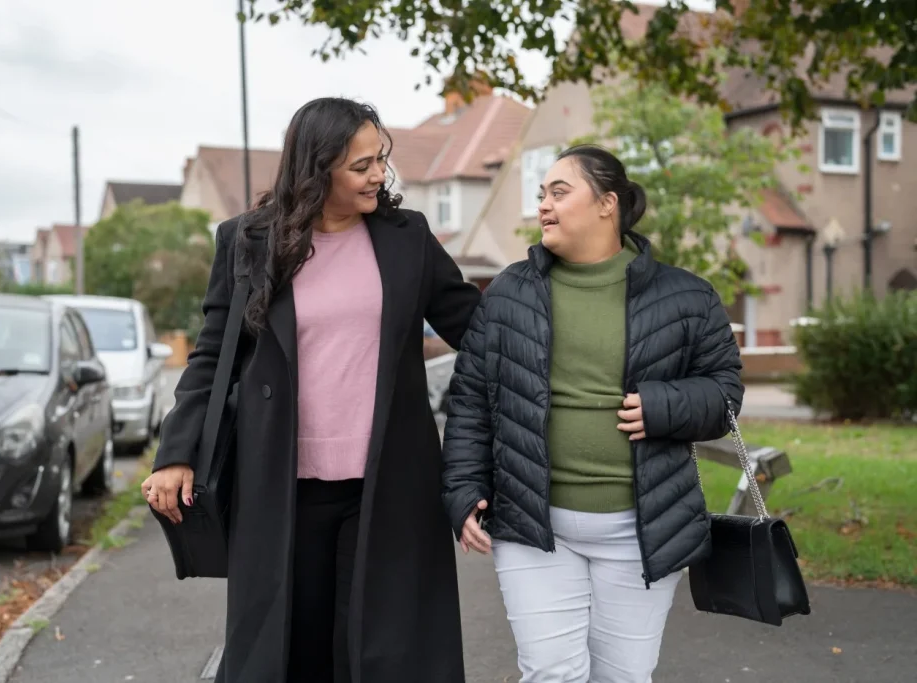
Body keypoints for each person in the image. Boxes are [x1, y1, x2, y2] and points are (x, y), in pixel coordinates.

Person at [140, 97, 481, 683]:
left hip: (388, 480)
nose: (379, 175)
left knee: (381, 647)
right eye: (361, 165)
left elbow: (477, 325)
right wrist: (176, 452)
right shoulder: (248, 241)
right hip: (280, 481)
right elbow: (212, 355)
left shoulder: (406, 238)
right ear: (317, 168)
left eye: (381, 160)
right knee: (289, 646)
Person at [441, 144, 744, 683]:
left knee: (623, 677)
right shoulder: (510, 291)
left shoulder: (688, 297)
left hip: (642, 529)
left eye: (560, 192)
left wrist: (664, 406)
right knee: (550, 673)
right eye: (541, 195)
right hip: (534, 528)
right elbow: (469, 399)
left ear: (608, 204)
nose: (545, 205)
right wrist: (464, 490)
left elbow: (725, 395)